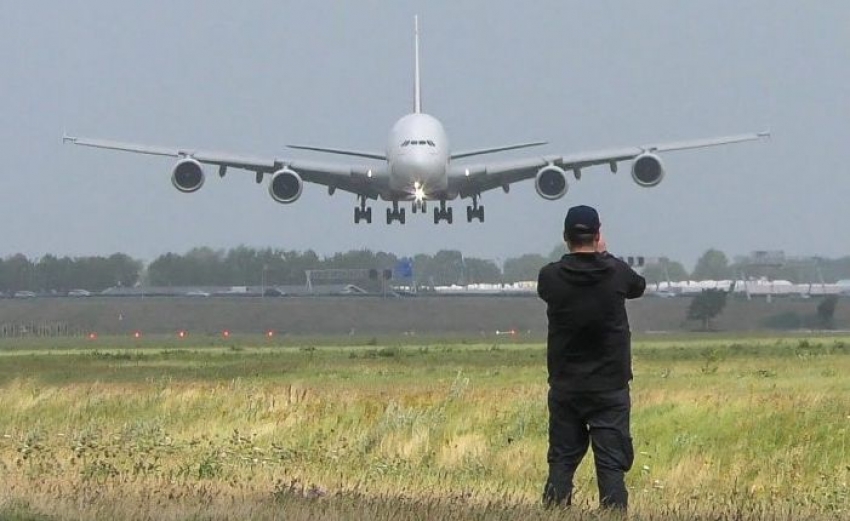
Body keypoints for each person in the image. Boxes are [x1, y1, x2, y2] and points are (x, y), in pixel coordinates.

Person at [537, 205, 646, 511]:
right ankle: (612, 514)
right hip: (609, 386)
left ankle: (555, 513)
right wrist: (605, 256)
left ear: (565, 237)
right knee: (611, 465)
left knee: (561, 461)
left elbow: (547, 288)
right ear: (598, 236)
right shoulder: (616, 273)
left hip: (566, 386)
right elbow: (638, 286)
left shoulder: (550, 277)